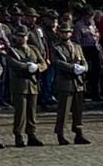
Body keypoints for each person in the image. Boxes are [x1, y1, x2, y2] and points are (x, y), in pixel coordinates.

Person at [50, 17, 91, 145]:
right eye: (62, 32)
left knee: (78, 110)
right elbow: (57, 62)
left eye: (67, 32)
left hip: (77, 82)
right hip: (65, 82)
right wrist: (72, 67)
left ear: (71, 32)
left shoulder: (77, 47)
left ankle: (78, 133)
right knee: (63, 110)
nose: (65, 34)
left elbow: (83, 60)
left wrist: (84, 68)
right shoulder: (56, 48)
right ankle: (60, 134)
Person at [6, 29, 47, 147]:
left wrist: (37, 67)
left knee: (32, 112)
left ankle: (31, 134)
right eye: (19, 36)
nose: (21, 38)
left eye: (23, 36)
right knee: (20, 112)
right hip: (20, 84)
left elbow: (43, 63)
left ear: (27, 37)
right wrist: (27, 66)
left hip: (33, 84)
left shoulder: (33, 49)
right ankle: (18, 135)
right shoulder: (13, 50)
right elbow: (13, 63)